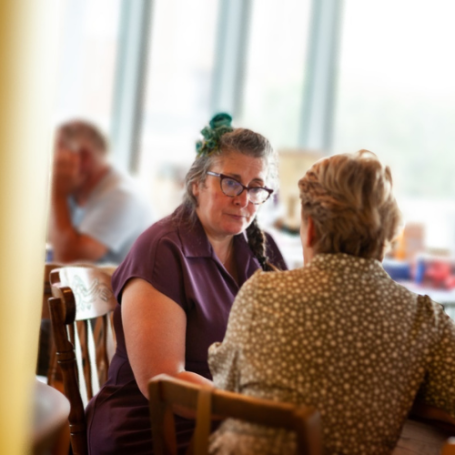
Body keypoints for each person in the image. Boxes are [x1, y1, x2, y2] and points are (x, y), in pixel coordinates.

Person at [208, 150, 455, 455]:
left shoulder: (263, 291)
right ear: (387, 233)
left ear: (310, 227)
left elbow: (226, 389)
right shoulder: (424, 318)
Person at [86, 113, 287, 454]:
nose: (244, 199)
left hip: (228, 420)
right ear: (197, 184)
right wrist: (254, 412)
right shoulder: (162, 249)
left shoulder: (261, 249)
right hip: (151, 426)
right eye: (231, 182)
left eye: (256, 188)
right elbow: (162, 384)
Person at [49, 119, 152, 264]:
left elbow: (68, 260)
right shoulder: (76, 193)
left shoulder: (122, 197)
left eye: (54, 152)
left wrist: (57, 194)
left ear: (83, 158)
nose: (49, 162)